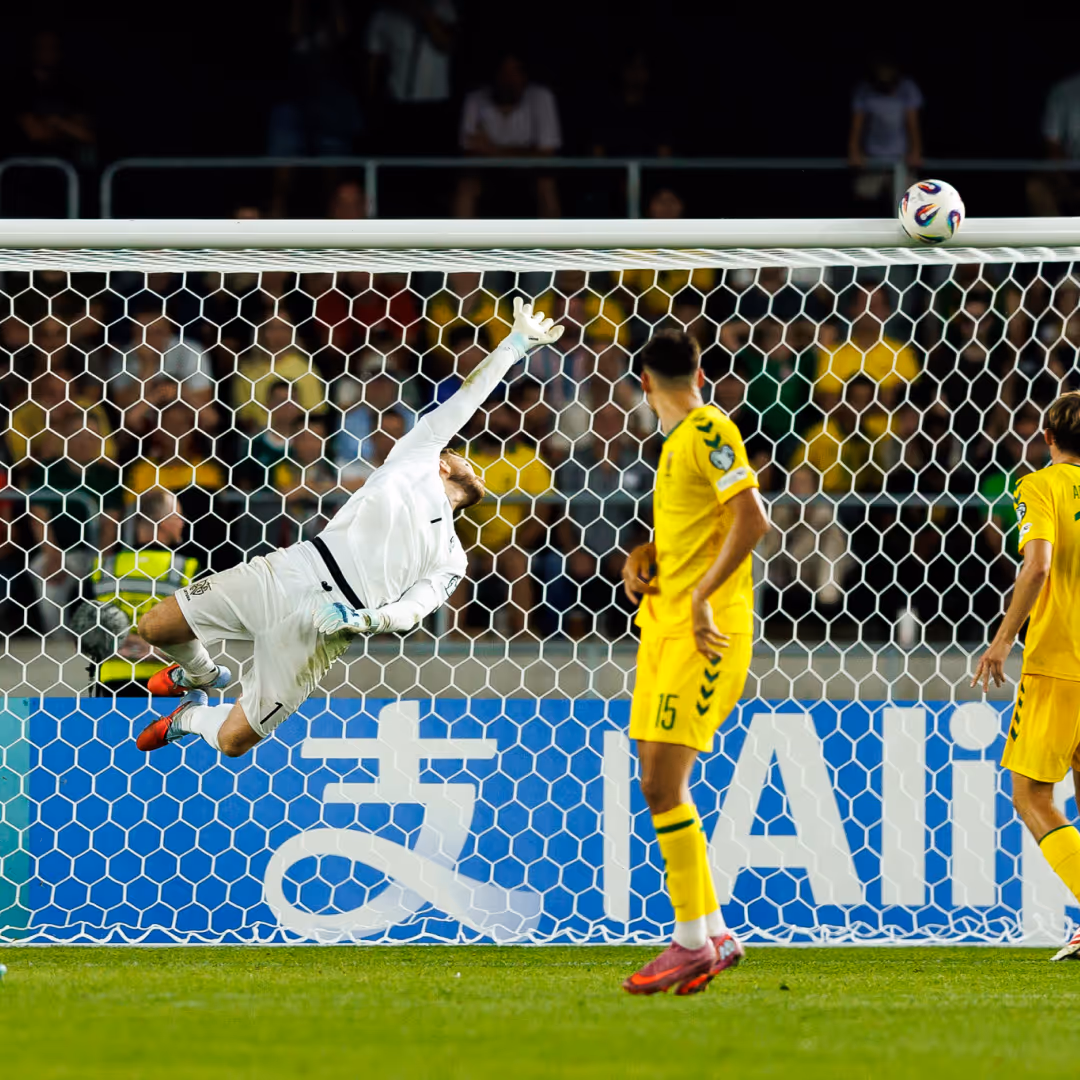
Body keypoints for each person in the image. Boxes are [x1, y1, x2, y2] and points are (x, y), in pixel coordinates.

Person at [131, 299, 563, 758]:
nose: (473, 464)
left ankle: (191, 717)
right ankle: (200, 675)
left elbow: (414, 611)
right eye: (463, 456)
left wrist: (366, 620)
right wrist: (514, 346)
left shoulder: (451, 555)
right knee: (157, 626)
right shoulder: (416, 454)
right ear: (443, 462)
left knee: (234, 740)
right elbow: (467, 399)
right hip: (292, 571)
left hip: (330, 626)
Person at [619, 329, 771, 995]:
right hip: (665, 625)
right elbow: (700, 519)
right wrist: (647, 551)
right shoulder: (680, 442)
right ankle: (711, 932)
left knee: (661, 782)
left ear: (642, 382)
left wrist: (705, 596)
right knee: (655, 778)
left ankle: (691, 942)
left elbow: (752, 518)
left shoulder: (709, 428)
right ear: (699, 370)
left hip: (705, 631)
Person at [973, 391, 1080, 961]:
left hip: (1060, 663)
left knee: (1032, 797)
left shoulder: (1039, 486)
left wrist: (1002, 638)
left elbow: (1036, 565)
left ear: (1047, 439)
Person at [82, 489, 207, 697]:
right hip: (170, 684)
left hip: (113, 683)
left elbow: (81, 631)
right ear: (163, 521)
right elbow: (200, 633)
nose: (183, 522)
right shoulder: (187, 569)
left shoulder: (103, 568)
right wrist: (154, 650)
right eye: (178, 516)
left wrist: (123, 647)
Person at [454, 53, 562, 218]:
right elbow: (470, 153)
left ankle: (553, 242)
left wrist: (492, 150)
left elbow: (546, 155)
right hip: (487, 172)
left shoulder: (541, 97)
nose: (508, 81)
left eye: (514, 73)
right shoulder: (475, 99)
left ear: (524, 76)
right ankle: (461, 242)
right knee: (467, 184)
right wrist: (525, 151)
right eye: (503, 73)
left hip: (529, 172)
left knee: (546, 184)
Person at [848, 58, 923, 208]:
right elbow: (857, 125)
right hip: (873, 158)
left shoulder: (907, 87)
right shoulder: (865, 89)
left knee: (909, 200)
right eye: (881, 69)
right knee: (864, 195)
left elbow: (913, 124)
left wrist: (916, 151)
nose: (884, 73)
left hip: (900, 158)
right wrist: (854, 151)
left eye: (888, 69)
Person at [1028, 71, 1080, 216]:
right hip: (1071, 174)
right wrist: (1065, 186)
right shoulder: (1064, 91)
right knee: (1036, 188)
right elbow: (1053, 144)